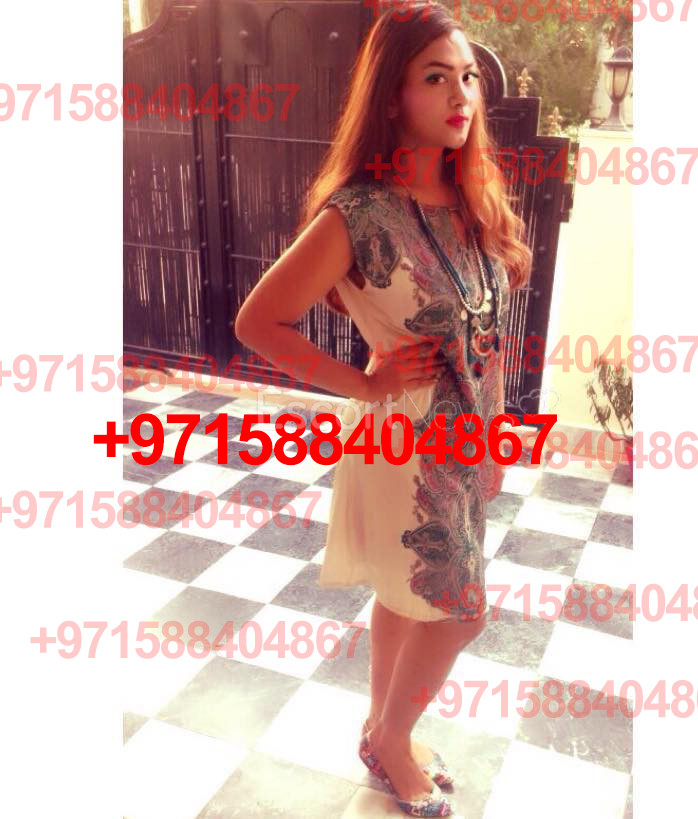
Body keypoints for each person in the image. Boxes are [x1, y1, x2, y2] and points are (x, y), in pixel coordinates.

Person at [235, 3, 532, 815]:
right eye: (435, 77)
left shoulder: (470, 198)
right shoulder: (358, 215)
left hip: (466, 442)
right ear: (392, 96)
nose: (460, 93)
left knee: (406, 595)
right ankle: (396, 738)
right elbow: (259, 322)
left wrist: (493, 437)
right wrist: (364, 385)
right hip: (403, 445)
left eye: (467, 76)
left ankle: (378, 729)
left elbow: (483, 337)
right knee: (461, 611)